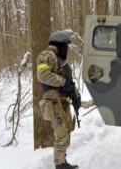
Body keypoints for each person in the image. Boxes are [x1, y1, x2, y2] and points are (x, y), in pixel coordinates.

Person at [37, 31, 81, 169]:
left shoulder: (59, 60)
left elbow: (69, 83)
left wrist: (76, 97)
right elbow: (42, 75)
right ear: (59, 45)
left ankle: (62, 162)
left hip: (62, 103)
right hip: (54, 104)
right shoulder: (46, 55)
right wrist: (63, 82)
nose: (66, 50)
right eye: (65, 46)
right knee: (61, 137)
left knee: (65, 136)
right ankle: (60, 165)